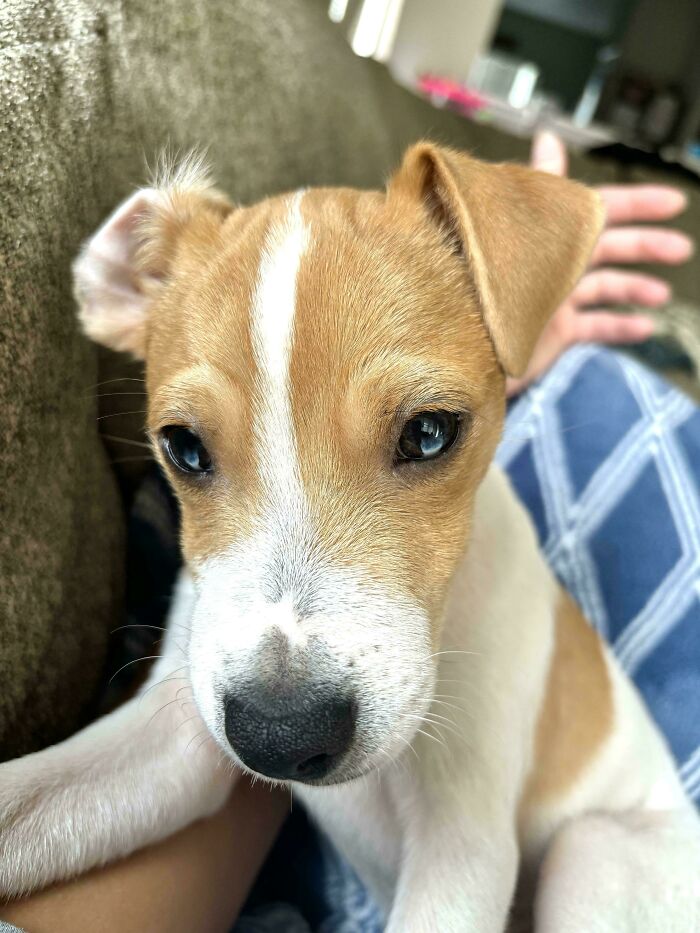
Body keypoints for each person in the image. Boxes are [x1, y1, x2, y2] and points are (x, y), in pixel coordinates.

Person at [2, 132, 694, 933]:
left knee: (596, 867)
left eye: (424, 433)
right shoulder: (238, 583)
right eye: (192, 450)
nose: (279, 695)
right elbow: (171, 762)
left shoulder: (500, 569)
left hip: (631, 850)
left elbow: (463, 868)